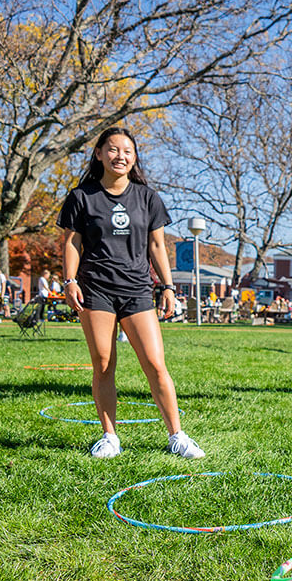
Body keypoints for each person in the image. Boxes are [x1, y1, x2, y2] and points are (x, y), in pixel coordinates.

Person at [58, 126, 204, 460]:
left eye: (127, 150)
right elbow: (72, 243)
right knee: (104, 363)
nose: (120, 156)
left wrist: (168, 287)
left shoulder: (147, 197)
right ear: (99, 154)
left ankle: (177, 436)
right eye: (112, 149)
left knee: (154, 363)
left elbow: (157, 245)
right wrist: (70, 281)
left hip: (137, 289)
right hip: (96, 289)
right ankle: (110, 437)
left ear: (134, 157)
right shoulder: (81, 197)